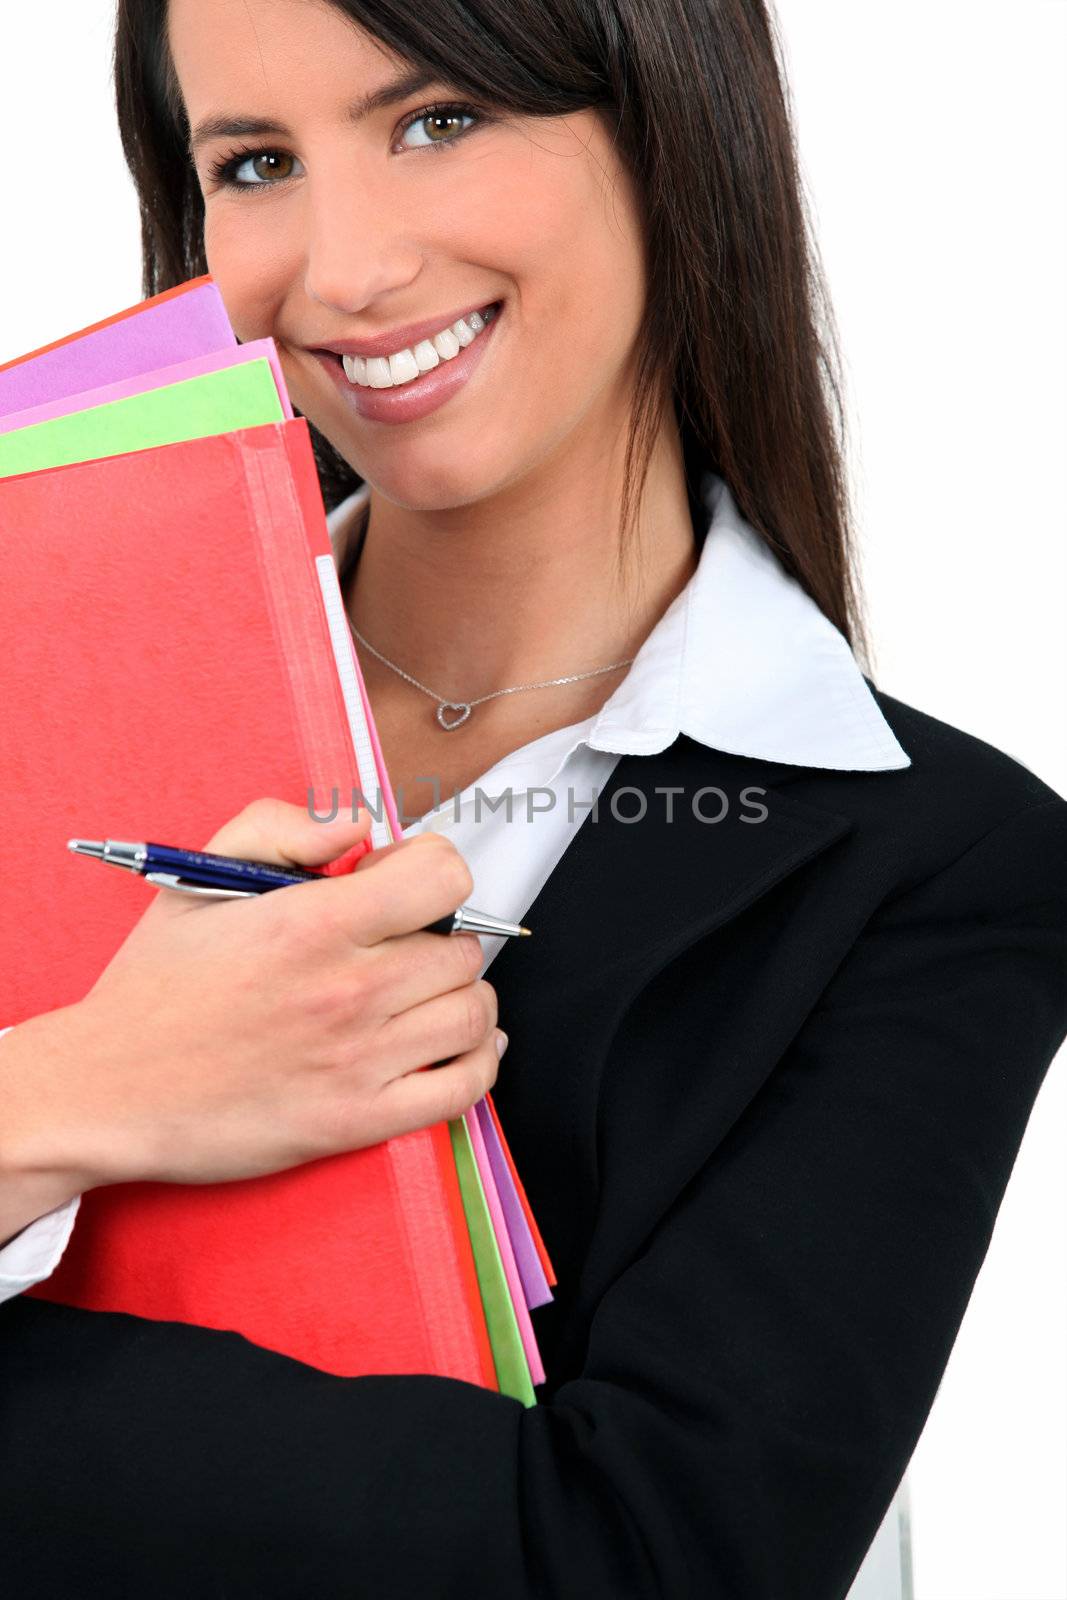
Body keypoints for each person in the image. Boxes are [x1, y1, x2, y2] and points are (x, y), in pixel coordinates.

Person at [1, 0, 1065, 1594]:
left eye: (438, 120)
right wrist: (82, 1090)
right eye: (259, 160)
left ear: (666, 131)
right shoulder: (42, 678)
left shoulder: (935, 867)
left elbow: (639, 1559)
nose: (345, 268)